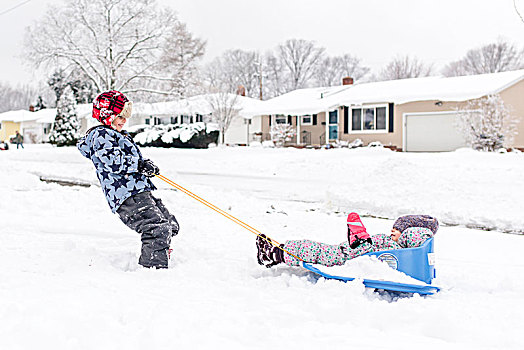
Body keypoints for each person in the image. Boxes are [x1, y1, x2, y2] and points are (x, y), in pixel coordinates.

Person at [77, 90, 179, 269]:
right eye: (120, 116)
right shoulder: (101, 135)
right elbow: (113, 162)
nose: (124, 121)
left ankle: (159, 250)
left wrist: (143, 164)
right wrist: (138, 165)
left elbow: (126, 160)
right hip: (126, 194)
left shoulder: (115, 134)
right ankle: (152, 269)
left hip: (138, 189)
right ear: (107, 115)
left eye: (125, 117)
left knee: (169, 223)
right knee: (156, 228)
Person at [256, 214, 438, 268]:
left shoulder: (415, 239)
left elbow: (420, 236)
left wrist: (417, 231)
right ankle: (278, 250)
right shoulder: (400, 246)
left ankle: (275, 253)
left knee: (320, 253)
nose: (393, 230)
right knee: (320, 249)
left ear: (409, 231)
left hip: (352, 257)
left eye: (398, 229)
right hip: (359, 250)